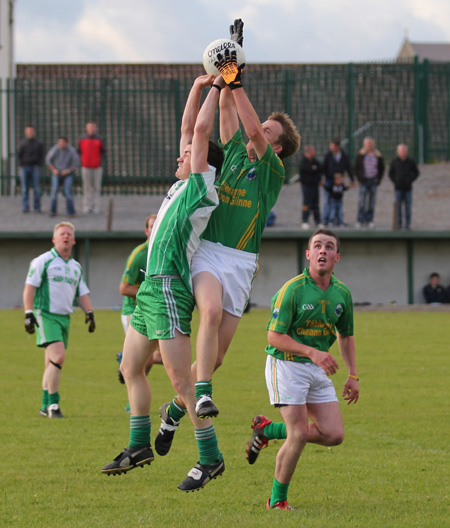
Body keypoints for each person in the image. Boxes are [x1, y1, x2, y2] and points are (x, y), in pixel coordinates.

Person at [155, 19, 301, 454]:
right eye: (263, 127)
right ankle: (201, 392)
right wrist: (230, 56)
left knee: (215, 357)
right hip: (209, 252)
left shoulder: (272, 170)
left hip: (241, 262)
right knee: (211, 312)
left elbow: (254, 128)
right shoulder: (233, 147)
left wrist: (235, 77)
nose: (258, 129)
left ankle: (175, 411)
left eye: (269, 132)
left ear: (276, 147)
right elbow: (226, 115)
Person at [102, 74, 226, 493]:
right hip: (150, 290)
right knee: (130, 367)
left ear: (203, 162)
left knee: (180, 382)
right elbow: (189, 128)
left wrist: (221, 86)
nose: (183, 152)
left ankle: (210, 456)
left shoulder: (201, 189)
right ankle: (139, 445)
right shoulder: (180, 184)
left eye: (190, 153)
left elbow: (201, 131)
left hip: (171, 288)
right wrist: (198, 84)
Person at [246, 228, 359, 510]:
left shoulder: (342, 294)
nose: (323, 251)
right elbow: (274, 336)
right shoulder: (292, 290)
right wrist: (313, 352)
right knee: (297, 434)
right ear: (308, 255)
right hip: (286, 365)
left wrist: (353, 374)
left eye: (329, 247)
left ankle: (267, 430)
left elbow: (345, 336)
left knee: (334, 435)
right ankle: (277, 501)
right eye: (317, 246)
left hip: (316, 367)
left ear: (337, 257)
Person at [22, 222, 95, 418]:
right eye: (62, 234)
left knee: (51, 362)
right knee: (58, 357)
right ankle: (53, 404)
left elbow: (82, 292)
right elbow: (30, 287)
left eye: (69, 234)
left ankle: (44, 405)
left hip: (65, 317)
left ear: (73, 240)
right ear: (54, 239)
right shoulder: (43, 261)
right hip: (45, 314)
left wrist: (89, 312)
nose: (65, 237)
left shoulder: (75, 267)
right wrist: (28, 312)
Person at [117, 213, 162, 408]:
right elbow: (124, 288)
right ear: (146, 231)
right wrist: (149, 294)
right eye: (151, 226)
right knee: (146, 357)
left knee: (158, 356)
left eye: (158, 225)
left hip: (154, 311)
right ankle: (132, 402)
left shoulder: (163, 252)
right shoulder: (139, 254)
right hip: (133, 311)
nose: (155, 229)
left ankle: (125, 357)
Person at [321, 138, 353, 226]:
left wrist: (352, 179)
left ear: (338, 146)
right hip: (329, 179)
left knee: (338, 201)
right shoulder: (327, 155)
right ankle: (325, 219)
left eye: (333, 146)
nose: (332, 148)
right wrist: (321, 179)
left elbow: (348, 167)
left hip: (339, 180)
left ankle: (338, 220)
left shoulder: (344, 155)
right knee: (327, 200)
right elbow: (323, 167)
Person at [45, 137, 80, 218]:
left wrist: (67, 170)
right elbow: (48, 160)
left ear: (67, 143)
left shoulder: (71, 150)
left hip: (68, 173)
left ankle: (71, 212)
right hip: (57, 172)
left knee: (68, 192)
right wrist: (53, 169)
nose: (61, 144)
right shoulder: (55, 149)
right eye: (59, 142)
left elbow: (76, 163)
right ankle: (52, 211)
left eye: (63, 142)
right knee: (54, 191)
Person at [354, 137, 385, 229]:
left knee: (371, 202)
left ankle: (370, 220)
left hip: (373, 180)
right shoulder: (361, 155)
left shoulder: (378, 155)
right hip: (364, 180)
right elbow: (356, 167)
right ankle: (360, 220)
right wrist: (359, 178)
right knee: (362, 201)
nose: (369, 145)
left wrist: (378, 179)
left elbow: (381, 168)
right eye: (367, 144)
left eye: (370, 143)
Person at [388, 144, 419, 230]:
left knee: (408, 207)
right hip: (398, 188)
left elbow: (416, 172)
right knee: (398, 207)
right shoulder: (394, 161)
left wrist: (410, 180)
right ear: (398, 152)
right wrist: (396, 181)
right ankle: (399, 223)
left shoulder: (411, 161)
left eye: (404, 151)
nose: (403, 153)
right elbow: (390, 173)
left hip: (408, 188)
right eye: (401, 151)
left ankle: (408, 224)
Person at [78, 122, 106, 214]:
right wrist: (82, 161)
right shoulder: (82, 139)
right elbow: (79, 151)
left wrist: (99, 161)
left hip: (97, 166)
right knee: (86, 187)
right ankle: (87, 205)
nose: (91, 129)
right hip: (86, 166)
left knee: (97, 187)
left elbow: (103, 152)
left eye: (93, 127)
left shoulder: (100, 139)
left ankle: (96, 206)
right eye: (89, 128)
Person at [17, 125, 46, 214]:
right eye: (28, 131)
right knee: (24, 188)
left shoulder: (38, 143)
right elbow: (18, 154)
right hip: (24, 167)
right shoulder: (22, 143)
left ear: (34, 132)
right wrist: (20, 165)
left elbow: (42, 154)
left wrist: (39, 164)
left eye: (31, 131)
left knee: (36, 188)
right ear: (26, 132)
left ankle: (37, 207)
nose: (30, 133)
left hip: (35, 167)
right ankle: (26, 207)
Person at [299, 145, 322, 229]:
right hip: (307, 186)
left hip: (315, 186)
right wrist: (313, 169)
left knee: (315, 204)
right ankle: (305, 220)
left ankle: (318, 221)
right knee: (306, 204)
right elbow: (308, 170)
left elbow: (319, 168)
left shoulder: (315, 161)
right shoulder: (303, 162)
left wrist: (314, 169)